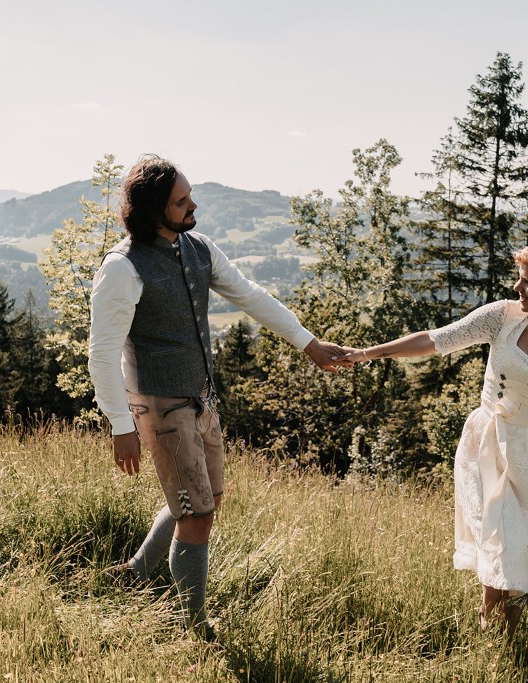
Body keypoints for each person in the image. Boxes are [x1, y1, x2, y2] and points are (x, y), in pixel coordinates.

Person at [88, 154, 349, 639]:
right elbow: (102, 353)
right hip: (157, 404)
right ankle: (193, 626)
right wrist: (120, 424)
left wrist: (309, 344)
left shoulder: (198, 248)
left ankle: (139, 572)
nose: (193, 206)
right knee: (198, 513)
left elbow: (250, 295)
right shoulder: (122, 268)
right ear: (153, 209)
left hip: (201, 397)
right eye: (181, 201)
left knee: (208, 498)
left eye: (190, 196)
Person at [340, 237, 528, 634]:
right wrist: (366, 353)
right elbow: (435, 339)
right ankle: (488, 626)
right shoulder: (501, 316)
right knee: (502, 541)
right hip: (488, 446)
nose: (518, 289)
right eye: (518, 280)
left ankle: (506, 640)